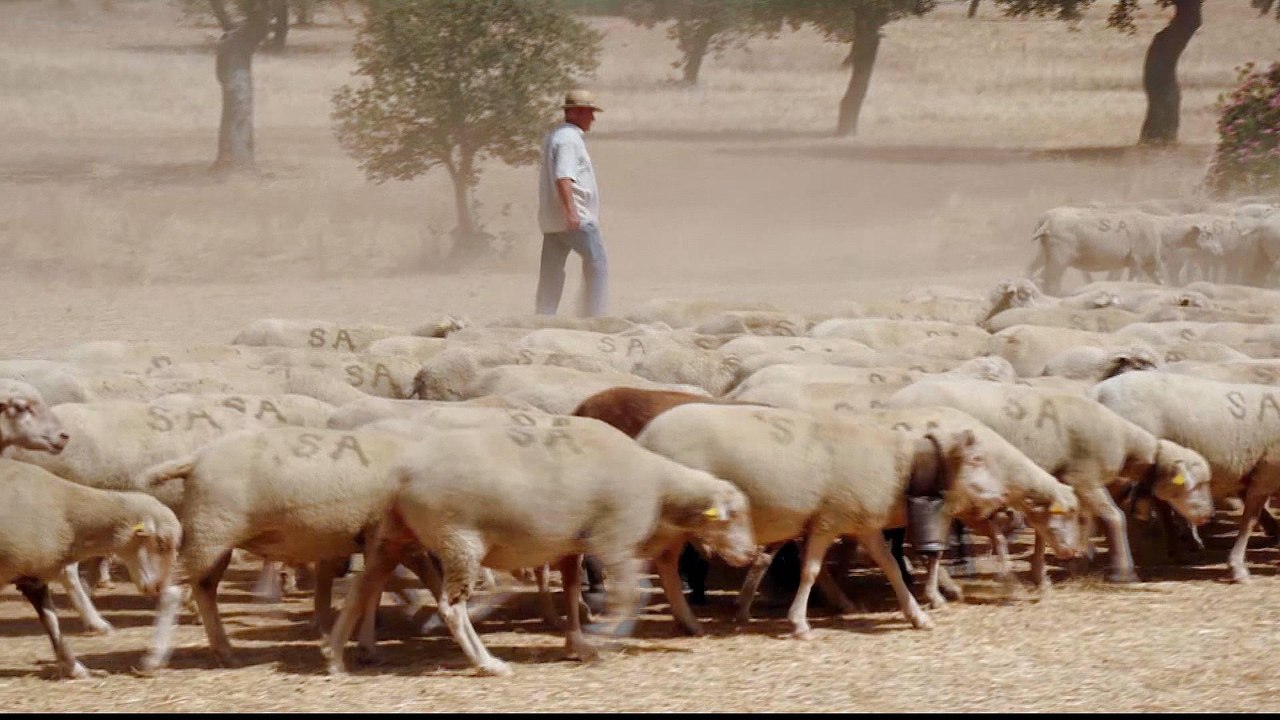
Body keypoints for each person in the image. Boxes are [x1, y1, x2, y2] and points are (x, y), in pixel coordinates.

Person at [535, 89, 607, 317]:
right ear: (575, 112)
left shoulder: (555, 136)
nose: (592, 118)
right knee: (597, 263)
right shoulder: (569, 140)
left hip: (552, 219)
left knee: (552, 271)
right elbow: (563, 177)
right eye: (588, 112)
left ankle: (544, 316)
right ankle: (593, 316)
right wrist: (572, 212)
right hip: (576, 218)